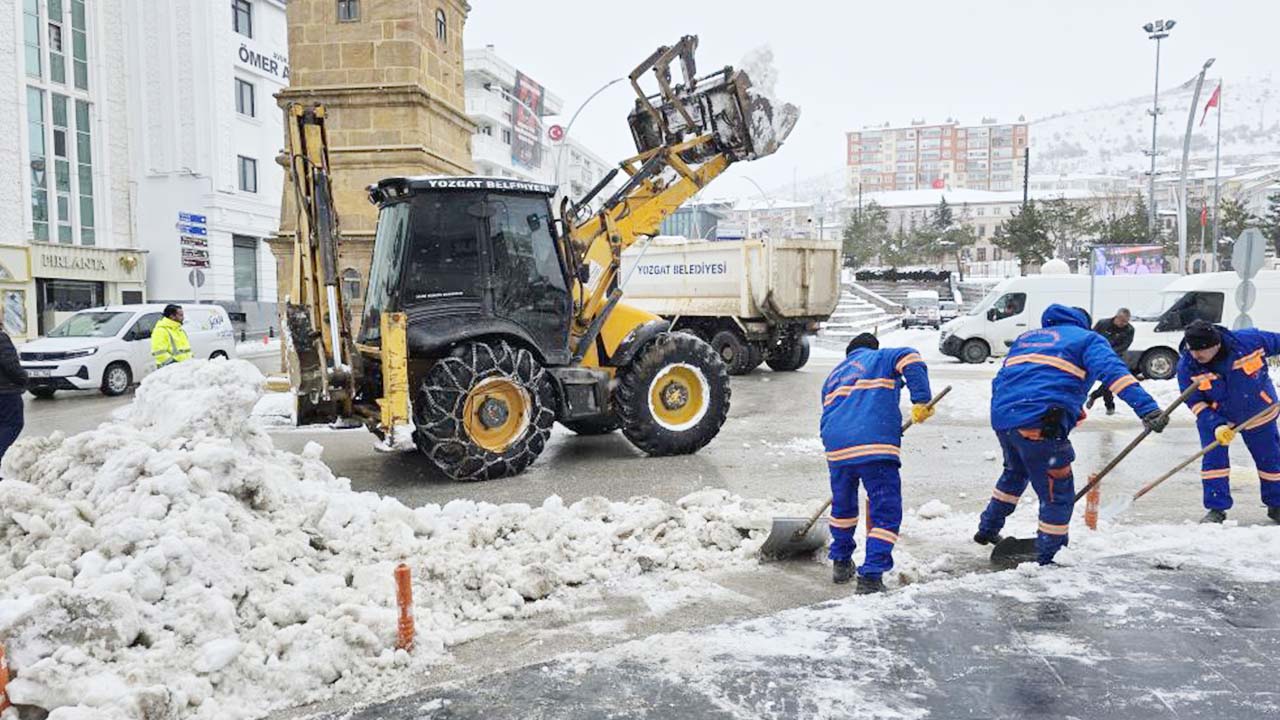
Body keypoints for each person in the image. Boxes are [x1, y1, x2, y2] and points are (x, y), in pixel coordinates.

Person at [975, 305, 1168, 565]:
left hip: (1005, 417)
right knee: (1058, 490)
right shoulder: (1087, 339)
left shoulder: (1027, 338)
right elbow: (1115, 374)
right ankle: (1050, 554)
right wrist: (1148, 409)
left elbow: (1003, 379)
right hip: (1041, 421)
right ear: (1083, 323)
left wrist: (1011, 412)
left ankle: (987, 529)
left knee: (1015, 472)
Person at [820, 332, 933, 594]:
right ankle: (871, 575)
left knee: (843, 506)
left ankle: (841, 561)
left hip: (836, 446)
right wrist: (921, 401)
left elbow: (835, 411)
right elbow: (911, 357)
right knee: (886, 509)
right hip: (874, 443)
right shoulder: (881, 357)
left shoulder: (835, 375)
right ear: (871, 348)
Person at [1176, 320, 1280, 525]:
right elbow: (1194, 401)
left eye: (1201, 350)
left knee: (1271, 460)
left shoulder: (1249, 341)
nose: (1196, 355)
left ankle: (1276, 504)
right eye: (1192, 350)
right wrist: (1216, 424)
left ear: (1215, 344)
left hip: (1259, 410)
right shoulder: (1188, 366)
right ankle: (1216, 508)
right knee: (1214, 463)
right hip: (1216, 416)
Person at [1086, 308, 1136, 415]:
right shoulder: (1103, 324)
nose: (1123, 324)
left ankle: (1099, 399)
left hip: (1115, 356)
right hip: (1098, 355)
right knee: (1100, 379)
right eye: (1121, 321)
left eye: (1126, 322)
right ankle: (1108, 405)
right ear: (1116, 317)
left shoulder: (1130, 329)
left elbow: (1124, 345)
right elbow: (1092, 337)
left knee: (1110, 381)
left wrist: (1109, 353)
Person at [0, 323, 27, 468]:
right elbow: (10, 365)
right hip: (5, 393)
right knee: (13, 424)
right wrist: (24, 378)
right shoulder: (1, 338)